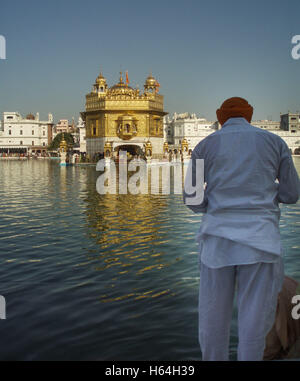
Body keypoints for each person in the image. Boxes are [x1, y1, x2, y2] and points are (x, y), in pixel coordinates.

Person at [183, 97, 300, 361]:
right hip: (261, 242)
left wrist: (214, 205)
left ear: (219, 117)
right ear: (249, 115)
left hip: (217, 243)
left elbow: (191, 199)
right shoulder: (274, 142)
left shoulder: (204, 146)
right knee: (254, 329)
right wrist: (266, 196)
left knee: (213, 325)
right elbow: (292, 194)